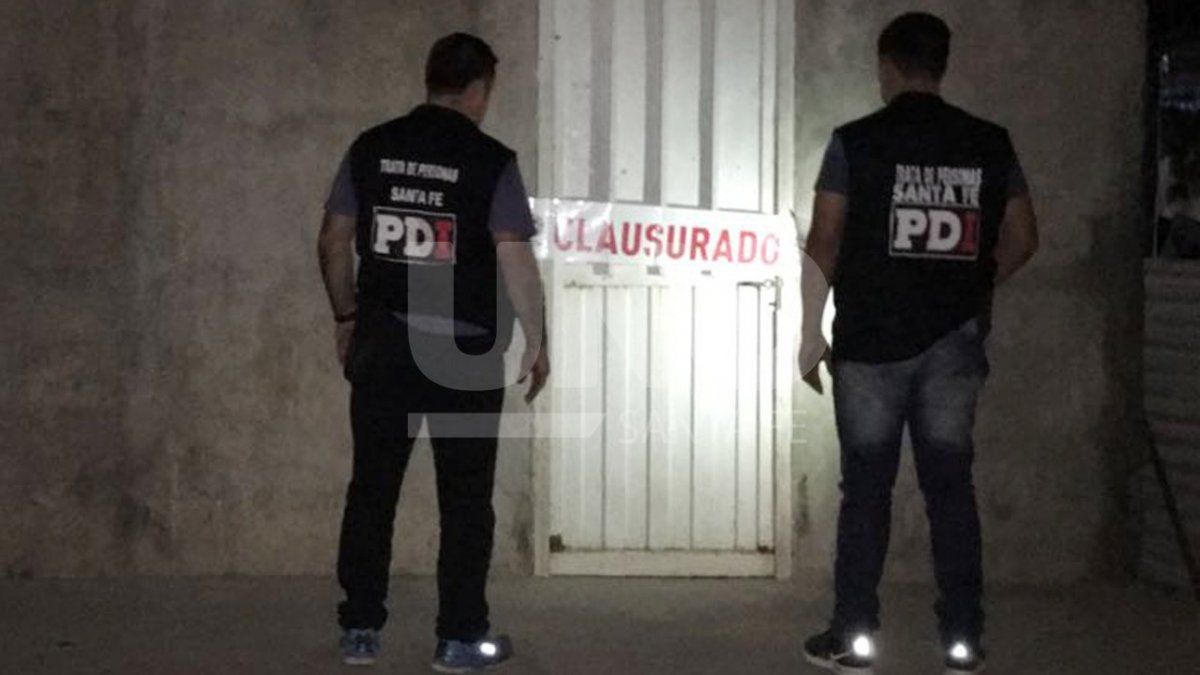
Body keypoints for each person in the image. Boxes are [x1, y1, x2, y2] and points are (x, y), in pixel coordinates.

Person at [798, 12, 1038, 675]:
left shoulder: (854, 142)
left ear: (887, 67)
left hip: (871, 343)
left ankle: (853, 637)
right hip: (953, 343)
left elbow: (824, 240)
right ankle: (962, 641)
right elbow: (1024, 237)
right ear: (942, 65)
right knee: (951, 490)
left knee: (866, 492)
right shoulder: (990, 143)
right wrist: (972, 283)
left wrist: (809, 334)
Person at [317, 32, 549, 672]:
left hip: (384, 343)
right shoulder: (490, 160)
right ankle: (459, 638)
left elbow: (333, 238)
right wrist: (538, 339)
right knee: (466, 499)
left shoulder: (371, 147)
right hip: (464, 352)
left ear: (430, 80)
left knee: (372, 488)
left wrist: (346, 315)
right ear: (478, 90)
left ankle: (360, 630)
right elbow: (514, 256)